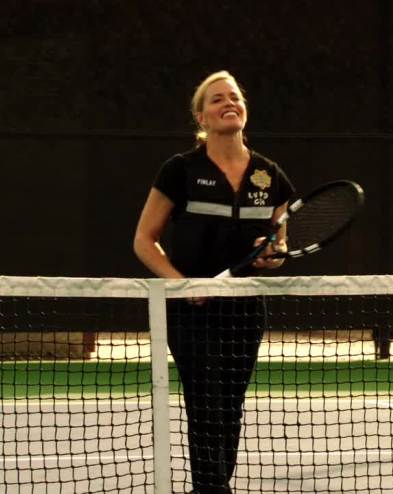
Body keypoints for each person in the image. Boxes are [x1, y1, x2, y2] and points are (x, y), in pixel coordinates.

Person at [134, 70, 295, 493]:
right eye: (217, 99)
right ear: (201, 117)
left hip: (244, 310)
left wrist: (272, 254)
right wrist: (183, 285)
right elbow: (144, 240)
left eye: (234, 97)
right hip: (191, 310)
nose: (229, 103)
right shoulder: (180, 170)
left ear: (244, 109)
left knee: (230, 406)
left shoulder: (269, 175)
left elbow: (278, 245)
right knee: (205, 402)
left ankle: (212, 487)